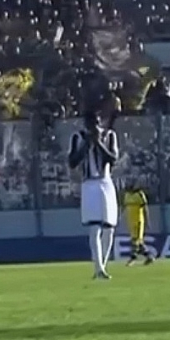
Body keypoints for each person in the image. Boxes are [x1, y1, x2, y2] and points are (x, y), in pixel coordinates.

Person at [69, 104, 120, 280]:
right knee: (95, 227)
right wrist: (86, 146)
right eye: (91, 123)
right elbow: (72, 162)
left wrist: (98, 143)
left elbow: (113, 158)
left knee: (109, 228)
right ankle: (98, 269)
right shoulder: (78, 137)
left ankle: (102, 265)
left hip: (106, 182)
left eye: (97, 122)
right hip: (89, 184)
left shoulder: (109, 136)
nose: (95, 126)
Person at [122, 185, 155, 267]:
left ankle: (132, 258)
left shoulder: (140, 194)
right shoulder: (127, 195)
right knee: (139, 242)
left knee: (135, 241)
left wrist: (147, 221)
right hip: (130, 222)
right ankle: (149, 256)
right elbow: (124, 208)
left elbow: (145, 209)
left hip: (138, 221)